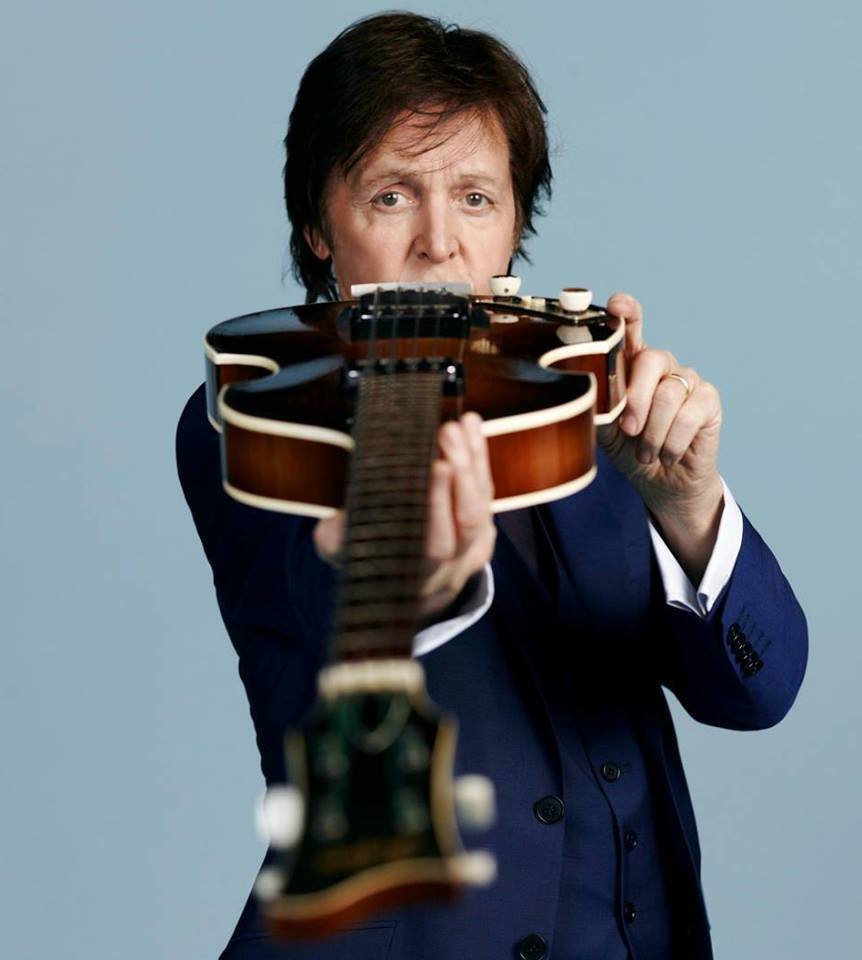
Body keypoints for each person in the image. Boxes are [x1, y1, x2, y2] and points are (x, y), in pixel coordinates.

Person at [176, 12, 807, 960]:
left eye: (475, 198)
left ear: (515, 224)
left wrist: (687, 508)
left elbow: (758, 694)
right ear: (317, 225)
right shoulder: (255, 410)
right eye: (392, 196)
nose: (440, 244)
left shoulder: (585, 397)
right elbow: (320, 599)